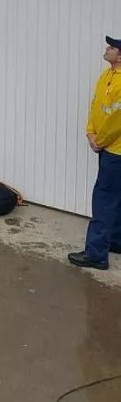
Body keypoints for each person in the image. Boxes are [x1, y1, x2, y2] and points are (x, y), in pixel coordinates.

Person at [68, 35, 121, 269]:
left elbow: (117, 120)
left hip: (116, 151)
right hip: (106, 146)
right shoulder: (106, 75)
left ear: (120, 55)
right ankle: (115, 241)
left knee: (104, 200)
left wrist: (100, 140)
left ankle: (96, 254)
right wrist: (90, 132)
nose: (107, 48)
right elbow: (96, 105)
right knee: (113, 197)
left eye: (112, 47)